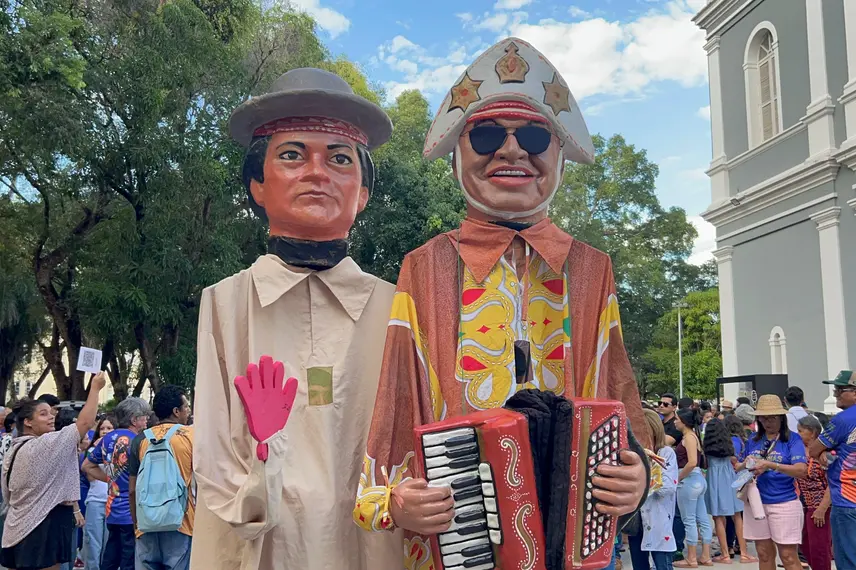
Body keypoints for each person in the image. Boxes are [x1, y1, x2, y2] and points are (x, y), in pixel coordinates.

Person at [354, 37, 650, 566]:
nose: (512, 150)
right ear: (457, 159)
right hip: (459, 544)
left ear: (558, 156)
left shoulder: (592, 268)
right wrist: (394, 499)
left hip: (573, 544)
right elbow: (397, 396)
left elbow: (616, 389)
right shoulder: (424, 266)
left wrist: (635, 476)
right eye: (488, 133)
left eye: (534, 135)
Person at [190, 68, 401, 570]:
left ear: (363, 193)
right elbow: (216, 468)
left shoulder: (399, 307)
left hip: (371, 546)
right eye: (291, 155)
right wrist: (265, 459)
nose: (317, 172)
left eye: (340, 158)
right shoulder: (224, 303)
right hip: (261, 548)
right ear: (257, 186)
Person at [0, 372, 106, 570]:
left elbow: (8, 494)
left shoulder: (14, 450)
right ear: (27, 422)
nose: (51, 417)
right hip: (42, 527)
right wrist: (95, 388)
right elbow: (84, 423)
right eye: (43, 414)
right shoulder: (45, 445)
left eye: (51, 413)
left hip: (15, 527)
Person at [735, 394, 807, 570]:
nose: (768, 422)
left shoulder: (793, 439)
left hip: (784, 502)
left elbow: (801, 470)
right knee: (764, 554)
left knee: (788, 556)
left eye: (773, 418)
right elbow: (738, 467)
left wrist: (771, 465)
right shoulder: (753, 439)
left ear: (781, 418)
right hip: (757, 503)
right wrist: (746, 464)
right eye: (764, 418)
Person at [82, 398, 152, 570]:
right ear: (134, 419)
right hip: (132, 512)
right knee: (129, 560)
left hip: (112, 510)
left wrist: (111, 479)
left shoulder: (107, 439)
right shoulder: (140, 441)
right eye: (144, 417)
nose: (146, 421)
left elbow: (86, 466)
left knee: (111, 557)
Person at [129, 385, 194, 570]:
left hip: (146, 525)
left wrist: (137, 525)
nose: (188, 411)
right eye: (186, 407)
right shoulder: (190, 436)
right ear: (176, 411)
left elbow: (132, 490)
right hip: (181, 523)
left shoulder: (140, 439)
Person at [807, 370, 856, 569]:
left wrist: (825, 456)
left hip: (847, 500)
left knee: (848, 559)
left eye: (839, 389)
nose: (835, 393)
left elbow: (813, 449)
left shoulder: (842, 420)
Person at [628, 408, 678, 570]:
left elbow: (668, 487)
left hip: (659, 520)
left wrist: (651, 464)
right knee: (639, 565)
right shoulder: (631, 455)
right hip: (636, 520)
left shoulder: (666, 453)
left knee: (663, 564)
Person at [703, 418, 755, 564]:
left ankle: (725, 553)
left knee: (718, 516)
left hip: (714, 479)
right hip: (730, 478)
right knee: (737, 515)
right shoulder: (729, 445)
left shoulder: (707, 447)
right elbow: (735, 463)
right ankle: (744, 553)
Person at [673, 408, 713, 567]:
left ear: (683, 421)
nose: (675, 422)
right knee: (702, 519)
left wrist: (679, 477)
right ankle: (705, 555)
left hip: (688, 481)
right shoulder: (694, 436)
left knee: (688, 520)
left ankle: (691, 557)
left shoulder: (688, 437)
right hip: (698, 481)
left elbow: (692, 462)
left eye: (677, 419)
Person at [796, 414, 832, 570]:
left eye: (801, 431)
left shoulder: (824, 454)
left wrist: (822, 508)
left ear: (811, 432)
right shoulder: (800, 450)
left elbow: (832, 483)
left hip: (819, 506)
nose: (798, 434)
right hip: (804, 505)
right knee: (804, 545)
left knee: (819, 548)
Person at [83, 417, 114, 570]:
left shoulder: (119, 450)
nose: (105, 431)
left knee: (109, 544)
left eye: (109, 428)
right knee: (93, 543)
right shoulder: (92, 451)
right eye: (102, 428)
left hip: (113, 502)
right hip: (95, 500)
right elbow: (90, 475)